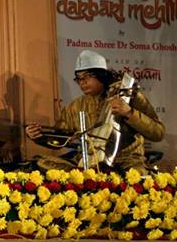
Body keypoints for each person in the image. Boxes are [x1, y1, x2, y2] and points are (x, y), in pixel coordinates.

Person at [25, 50, 165, 174]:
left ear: (102, 75)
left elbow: (158, 132)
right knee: (39, 164)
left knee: (135, 178)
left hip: (127, 161)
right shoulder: (76, 106)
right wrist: (40, 137)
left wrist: (129, 113)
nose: (82, 83)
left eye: (87, 77)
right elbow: (62, 139)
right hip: (88, 162)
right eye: (79, 78)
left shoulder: (127, 95)